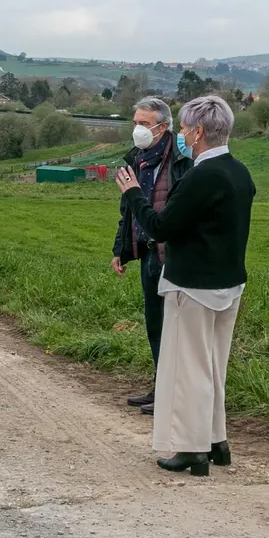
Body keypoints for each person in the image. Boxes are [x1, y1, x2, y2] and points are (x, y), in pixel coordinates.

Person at [115, 95, 254, 476]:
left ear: (197, 132)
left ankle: (191, 449)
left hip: (193, 286)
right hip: (229, 283)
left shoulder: (200, 175)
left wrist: (132, 193)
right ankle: (215, 441)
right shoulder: (239, 172)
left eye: (187, 128)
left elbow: (161, 227)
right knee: (213, 366)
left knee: (189, 368)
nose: (184, 135)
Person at [113, 97, 193, 416]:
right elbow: (129, 208)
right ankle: (161, 386)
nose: (138, 130)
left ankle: (174, 393)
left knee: (175, 326)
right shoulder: (138, 159)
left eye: (144, 124)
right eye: (135, 123)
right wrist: (120, 249)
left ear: (163, 126)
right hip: (147, 252)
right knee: (155, 324)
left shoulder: (181, 158)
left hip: (171, 253)